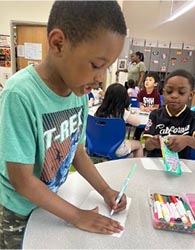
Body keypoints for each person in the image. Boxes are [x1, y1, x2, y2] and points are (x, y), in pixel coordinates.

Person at [0, 1, 127, 248]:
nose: (101, 79)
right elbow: (22, 181)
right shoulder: (20, 95)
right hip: (19, 212)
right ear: (58, 43)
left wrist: (105, 190)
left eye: (107, 68)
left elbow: (77, 152)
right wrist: (78, 216)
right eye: (97, 65)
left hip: (51, 203)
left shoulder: (78, 93)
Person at [143, 69, 195, 159]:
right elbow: (147, 145)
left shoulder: (194, 117)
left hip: (181, 165)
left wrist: (187, 140)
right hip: (156, 163)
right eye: (169, 91)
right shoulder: (155, 115)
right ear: (164, 92)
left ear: (190, 95)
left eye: (181, 92)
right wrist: (153, 142)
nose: (174, 95)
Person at [95, 83, 144, 158]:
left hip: (98, 145)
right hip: (116, 149)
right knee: (139, 145)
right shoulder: (122, 112)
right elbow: (137, 123)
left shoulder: (99, 110)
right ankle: (137, 168)